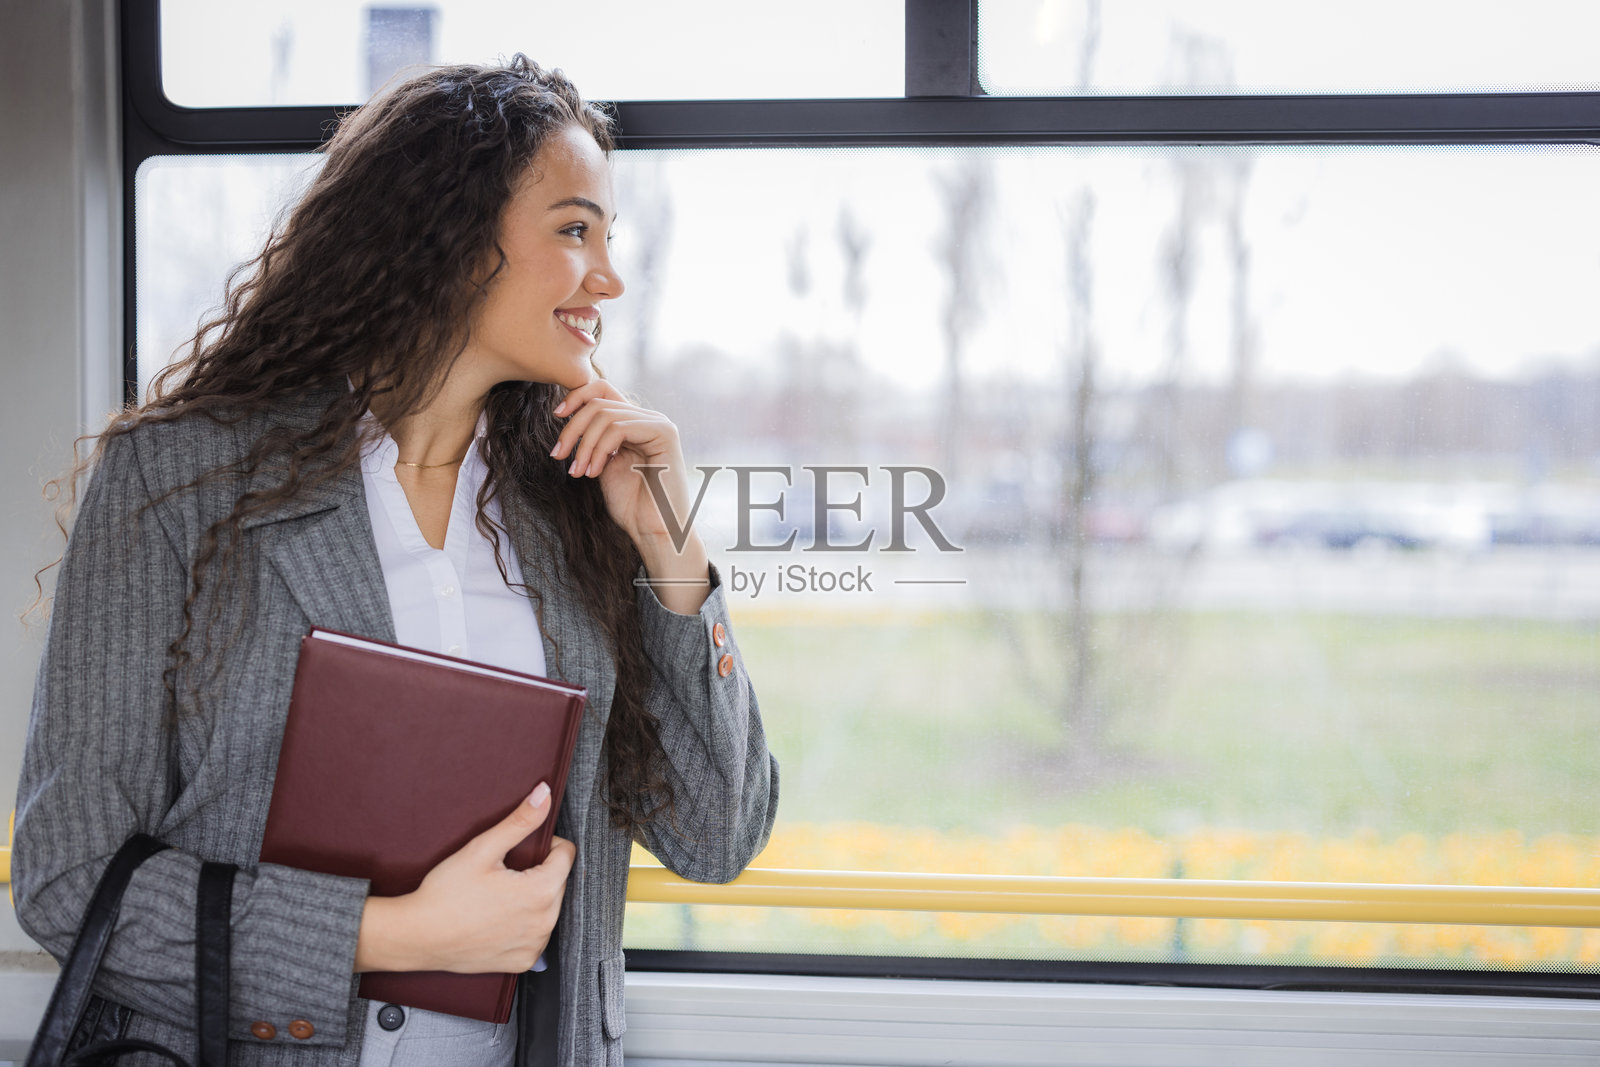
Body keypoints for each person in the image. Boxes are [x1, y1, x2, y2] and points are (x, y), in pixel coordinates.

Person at [12, 56, 777, 1067]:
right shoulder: (176, 482)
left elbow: (717, 835)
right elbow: (69, 873)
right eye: (573, 229)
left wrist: (671, 548)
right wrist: (394, 935)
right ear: (458, 241)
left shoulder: (574, 505)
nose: (608, 278)